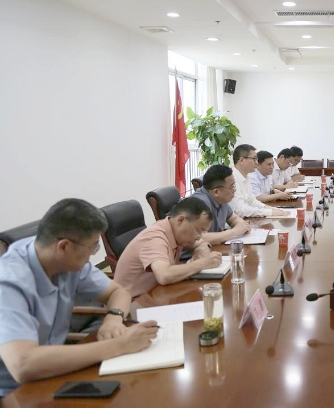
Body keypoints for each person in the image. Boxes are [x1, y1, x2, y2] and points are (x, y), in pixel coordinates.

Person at [0, 199, 158, 396]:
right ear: (64, 247)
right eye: (93, 248)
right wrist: (120, 345)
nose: (92, 255)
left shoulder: (65, 261)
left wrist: (114, 318)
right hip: (15, 393)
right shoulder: (9, 282)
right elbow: (23, 364)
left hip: (55, 371)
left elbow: (118, 292)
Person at [114, 197, 223, 298]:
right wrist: (203, 263)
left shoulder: (175, 231)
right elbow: (164, 275)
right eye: (198, 231)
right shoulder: (155, 239)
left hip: (155, 294)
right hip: (131, 304)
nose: (198, 236)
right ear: (181, 220)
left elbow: (202, 243)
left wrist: (200, 250)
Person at [191, 165, 251, 244]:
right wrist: (235, 231)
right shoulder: (200, 203)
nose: (234, 190)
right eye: (232, 186)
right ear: (216, 192)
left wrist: (242, 226)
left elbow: (233, 218)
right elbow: (198, 238)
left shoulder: (220, 199)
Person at [230, 144, 291, 218]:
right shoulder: (232, 179)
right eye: (254, 159)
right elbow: (240, 210)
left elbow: (252, 201)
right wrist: (270, 212)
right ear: (242, 160)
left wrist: (271, 209)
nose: (256, 162)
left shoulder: (246, 176)